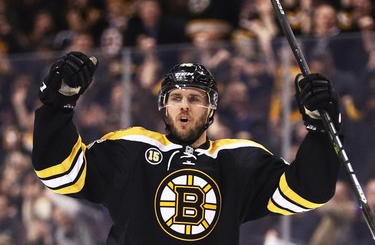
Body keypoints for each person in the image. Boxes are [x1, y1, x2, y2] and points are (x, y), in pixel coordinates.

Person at [32, 51, 341, 245]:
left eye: (195, 99)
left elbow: (307, 193)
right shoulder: (129, 148)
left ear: (211, 109)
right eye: (176, 98)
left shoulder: (238, 159)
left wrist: (320, 130)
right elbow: (58, 174)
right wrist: (58, 104)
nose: (184, 106)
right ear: (163, 106)